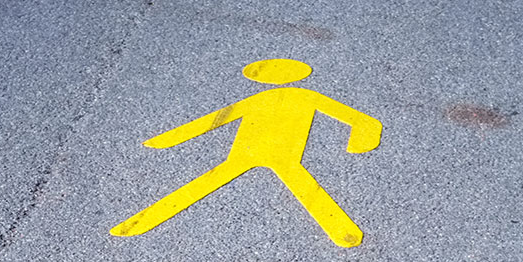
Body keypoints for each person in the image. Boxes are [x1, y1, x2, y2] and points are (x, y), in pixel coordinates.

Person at [111, 58, 382, 247]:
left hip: (268, 153)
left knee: (212, 181)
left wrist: (167, 140)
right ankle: (344, 232)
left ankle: (140, 222)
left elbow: (215, 119)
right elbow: (217, 119)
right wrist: (167, 140)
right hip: (253, 153)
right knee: (299, 184)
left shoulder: (302, 97)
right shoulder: (291, 97)